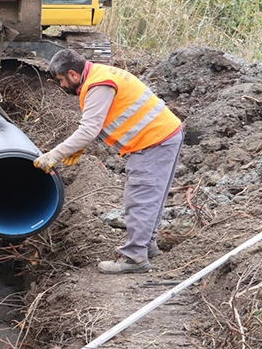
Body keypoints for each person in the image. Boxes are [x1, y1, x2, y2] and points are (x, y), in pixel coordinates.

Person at [33, 49, 183, 274]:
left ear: (73, 74)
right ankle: (147, 245)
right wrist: (79, 145)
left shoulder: (98, 85)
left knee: (140, 198)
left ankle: (135, 258)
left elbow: (89, 128)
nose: (62, 86)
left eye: (61, 80)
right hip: (164, 135)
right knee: (153, 196)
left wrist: (54, 155)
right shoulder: (100, 75)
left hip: (152, 141)